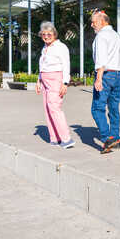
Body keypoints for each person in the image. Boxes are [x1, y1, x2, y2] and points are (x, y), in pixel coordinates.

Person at [90, 10, 120, 155]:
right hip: (118, 76)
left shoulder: (101, 36)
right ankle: (115, 138)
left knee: (97, 108)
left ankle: (107, 139)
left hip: (106, 75)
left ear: (102, 21)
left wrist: (99, 78)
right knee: (114, 108)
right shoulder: (118, 37)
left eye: (94, 22)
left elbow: (101, 59)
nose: (92, 25)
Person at [35, 21, 74, 149]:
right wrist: (38, 81)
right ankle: (55, 137)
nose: (46, 36)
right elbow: (42, 66)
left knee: (55, 108)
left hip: (56, 80)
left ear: (54, 34)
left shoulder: (61, 47)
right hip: (45, 80)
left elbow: (66, 65)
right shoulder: (45, 48)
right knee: (47, 108)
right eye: (44, 34)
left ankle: (66, 139)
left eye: (49, 34)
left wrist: (65, 83)